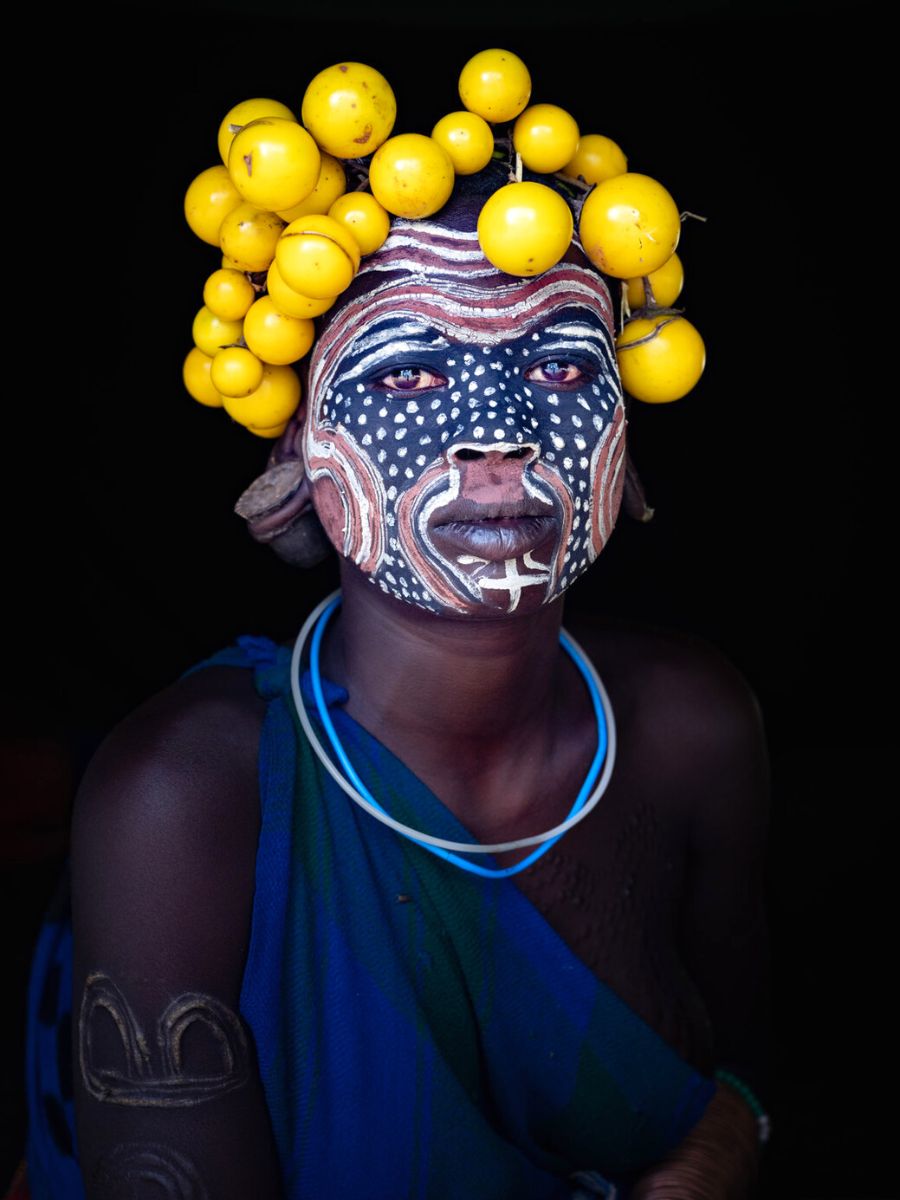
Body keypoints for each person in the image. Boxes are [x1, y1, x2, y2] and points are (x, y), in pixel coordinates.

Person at [24, 163, 770, 1199]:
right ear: (302, 449)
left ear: (624, 441)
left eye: (557, 369)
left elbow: (754, 1067)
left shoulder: (694, 729)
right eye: (407, 376)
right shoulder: (182, 801)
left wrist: (726, 1140)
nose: (499, 431)